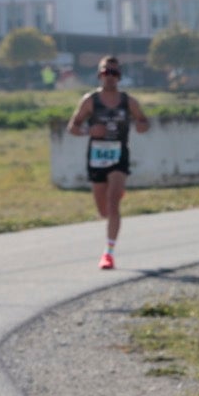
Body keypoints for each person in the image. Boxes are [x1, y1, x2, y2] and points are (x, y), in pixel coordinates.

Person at [67, 55, 150, 270]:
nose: (110, 77)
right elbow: (72, 127)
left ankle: (108, 253)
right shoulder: (90, 101)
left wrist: (142, 125)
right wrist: (88, 130)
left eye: (114, 73)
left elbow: (143, 120)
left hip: (119, 155)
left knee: (113, 205)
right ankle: (115, 192)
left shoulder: (128, 101)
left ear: (119, 77)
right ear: (99, 75)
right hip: (96, 156)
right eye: (106, 72)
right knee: (103, 210)